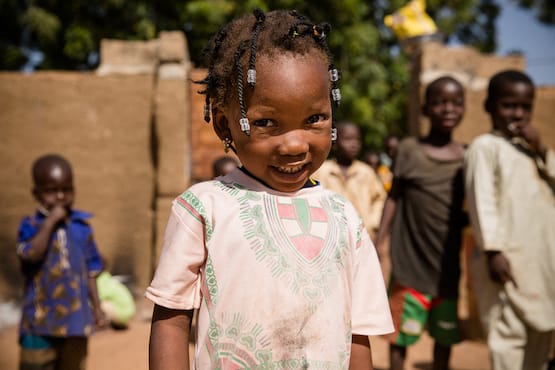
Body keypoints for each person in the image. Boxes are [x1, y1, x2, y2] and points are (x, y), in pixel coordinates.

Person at [146, 9, 393, 370]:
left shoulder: (344, 217)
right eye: (265, 122)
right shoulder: (203, 208)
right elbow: (172, 318)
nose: (294, 145)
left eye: (314, 119)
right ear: (223, 124)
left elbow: (356, 334)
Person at [464, 70, 555, 370]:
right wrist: (493, 250)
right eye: (508, 105)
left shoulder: (533, 152)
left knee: (541, 334)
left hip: (540, 263)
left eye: (525, 106)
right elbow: (482, 200)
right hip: (506, 262)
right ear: (489, 107)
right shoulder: (485, 147)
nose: (518, 113)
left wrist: (541, 149)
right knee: (509, 336)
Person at [375, 76, 467, 370]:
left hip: (447, 266)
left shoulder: (467, 156)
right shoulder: (409, 150)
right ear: (426, 109)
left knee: (444, 338)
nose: (448, 109)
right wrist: (380, 242)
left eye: (455, 102)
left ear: (464, 108)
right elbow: (394, 197)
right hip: (409, 263)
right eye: (439, 102)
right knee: (400, 338)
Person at [16, 154, 106, 370]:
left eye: (67, 189)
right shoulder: (30, 226)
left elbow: (91, 271)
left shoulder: (81, 227)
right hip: (39, 323)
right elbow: (30, 254)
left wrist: (97, 307)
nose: (60, 196)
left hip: (76, 322)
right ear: (36, 194)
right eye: (51, 190)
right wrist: (50, 223)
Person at [313, 121, 387, 241]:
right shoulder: (322, 171)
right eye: (348, 139)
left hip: (364, 238)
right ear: (335, 143)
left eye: (357, 140)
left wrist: (373, 223)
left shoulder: (366, 172)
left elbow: (380, 199)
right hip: (331, 239)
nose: (354, 144)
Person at [96, 257, 136, 330]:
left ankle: (102, 325)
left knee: (97, 303)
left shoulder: (102, 281)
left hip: (122, 314)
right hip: (127, 313)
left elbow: (98, 298)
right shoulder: (107, 278)